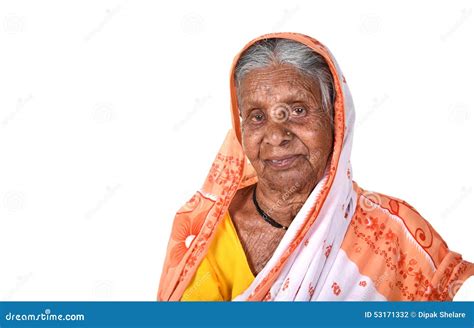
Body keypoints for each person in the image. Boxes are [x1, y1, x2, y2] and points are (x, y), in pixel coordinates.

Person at [157, 32, 473, 301]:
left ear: (336, 118)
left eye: (297, 110)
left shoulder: (393, 233)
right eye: (257, 116)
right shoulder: (203, 229)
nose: (277, 136)